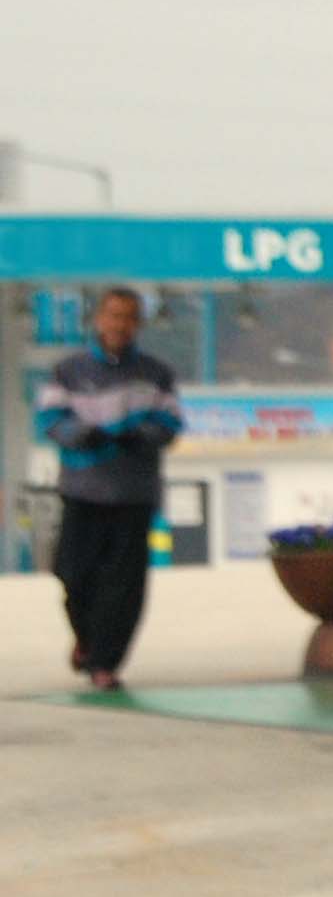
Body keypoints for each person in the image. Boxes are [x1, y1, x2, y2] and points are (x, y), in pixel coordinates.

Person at [40, 284, 185, 692]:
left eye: (129, 317)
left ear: (139, 323)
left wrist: (140, 436)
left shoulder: (156, 374)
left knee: (124, 587)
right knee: (73, 574)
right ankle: (87, 639)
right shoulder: (68, 371)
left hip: (133, 495)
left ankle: (105, 663)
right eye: (114, 315)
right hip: (81, 492)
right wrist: (81, 435)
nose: (120, 325)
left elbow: (170, 423)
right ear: (99, 319)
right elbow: (50, 419)